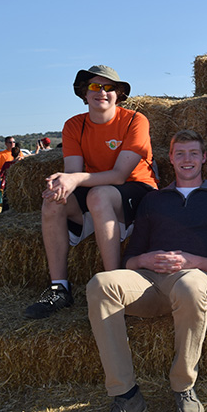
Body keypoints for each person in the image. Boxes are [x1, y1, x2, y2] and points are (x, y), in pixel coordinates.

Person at [85, 130, 207, 412]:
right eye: (180, 153)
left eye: (193, 153)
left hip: (191, 276)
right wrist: (145, 258)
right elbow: (129, 259)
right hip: (147, 279)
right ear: (170, 158)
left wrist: (192, 260)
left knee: (193, 285)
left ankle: (183, 386)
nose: (187, 159)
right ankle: (126, 396)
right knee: (100, 284)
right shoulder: (153, 200)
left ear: (204, 158)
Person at [24, 65, 158, 320]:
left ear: (118, 94)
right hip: (98, 189)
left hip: (138, 190)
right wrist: (63, 184)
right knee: (53, 201)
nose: (102, 92)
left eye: (109, 87)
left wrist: (74, 178)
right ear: (84, 93)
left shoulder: (135, 120)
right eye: (95, 86)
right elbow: (74, 171)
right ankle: (59, 288)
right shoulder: (74, 125)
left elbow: (119, 175)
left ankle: (115, 287)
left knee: (99, 195)